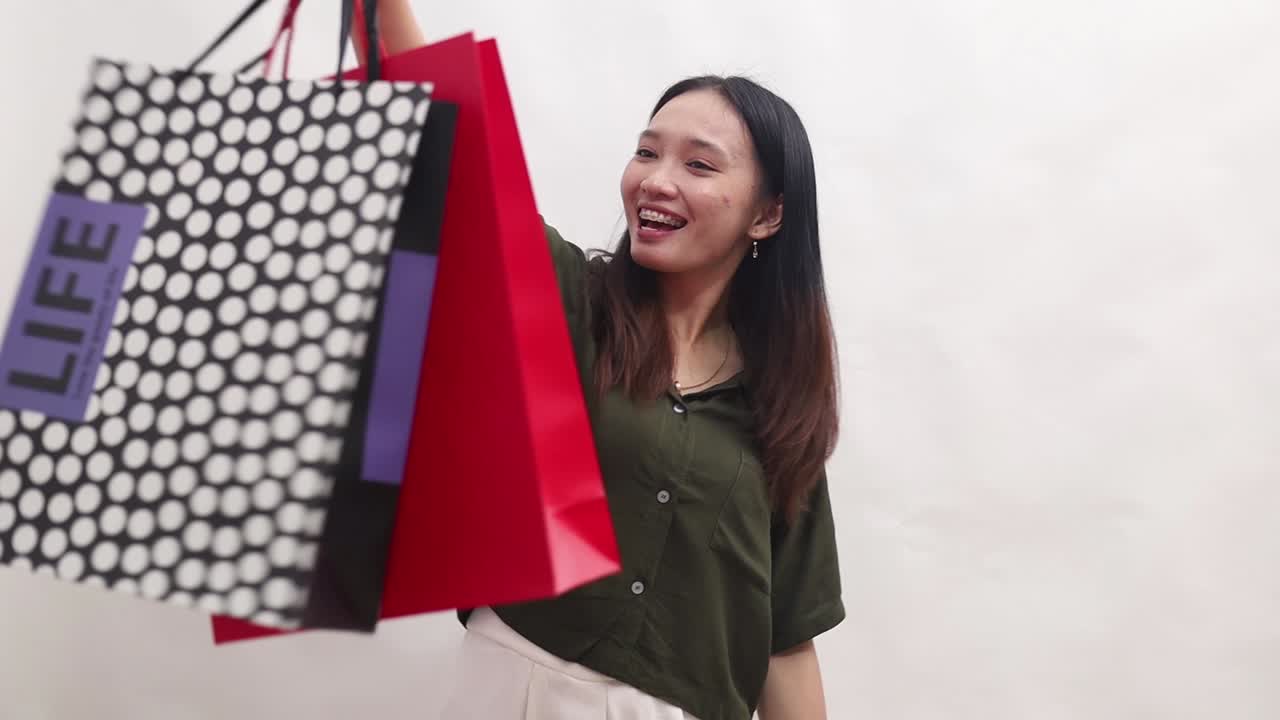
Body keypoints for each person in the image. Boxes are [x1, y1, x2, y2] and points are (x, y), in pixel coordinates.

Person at [364, 4, 845, 718]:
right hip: (512, 688)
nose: (655, 180)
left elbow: (787, 642)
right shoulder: (572, 300)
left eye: (699, 164)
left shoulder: (779, 404)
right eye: (647, 152)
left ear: (767, 215)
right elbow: (456, 148)